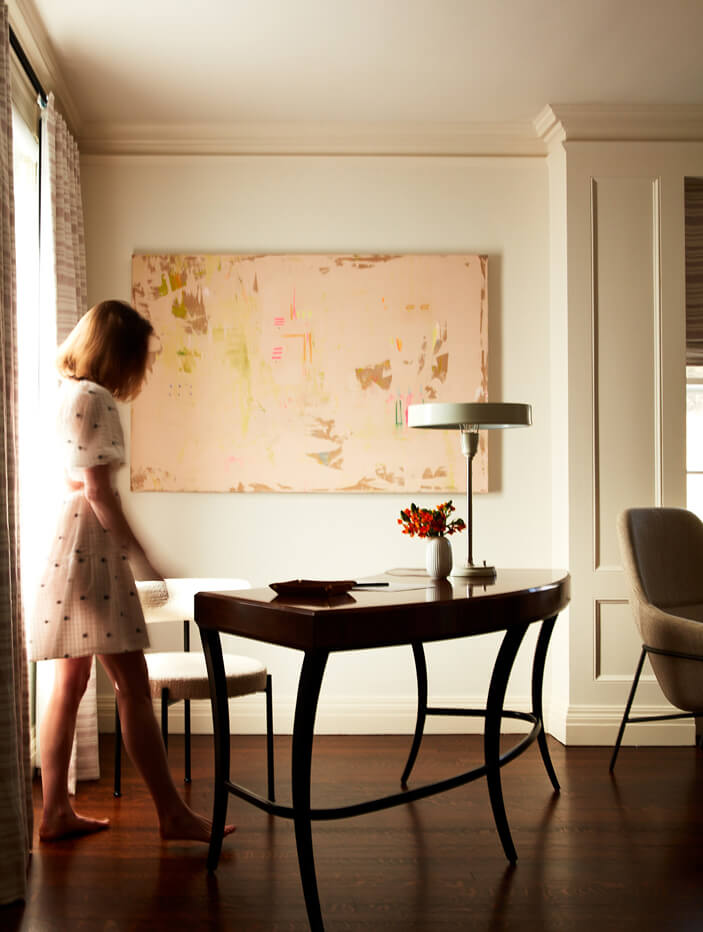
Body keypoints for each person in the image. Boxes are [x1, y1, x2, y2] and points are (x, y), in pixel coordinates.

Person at [29, 299, 234, 844]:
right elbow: (100, 494)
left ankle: (52, 813)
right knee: (132, 685)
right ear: (118, 352)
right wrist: (146, 561)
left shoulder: (64, 394)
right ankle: (171, 814)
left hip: (64, 544)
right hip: (90, 552)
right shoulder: (95, 398)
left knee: (69, 683)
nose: (140, 370)